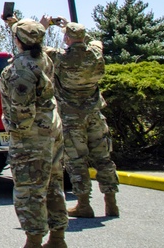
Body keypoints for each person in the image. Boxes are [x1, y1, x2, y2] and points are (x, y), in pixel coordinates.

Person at [0, 17, 68, 248]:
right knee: (53, 184)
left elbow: (21, 111)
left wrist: (14, 131)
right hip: (52, 129)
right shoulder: (44, 59)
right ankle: (57, 238)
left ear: (18, 41)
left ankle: (34, 241)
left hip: (30, 137)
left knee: (30, 190)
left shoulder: (19, 69)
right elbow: (31, 36)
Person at [45, 18, 120, 218]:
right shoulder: (95, 54)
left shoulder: (60, 57)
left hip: (71, 118)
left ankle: (84, 204)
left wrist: (44, 26)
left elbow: (33, 45)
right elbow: (96, 41)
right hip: (95, 115)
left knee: (76, 161)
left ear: (67, 38)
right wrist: (71, 25)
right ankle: (111, 202)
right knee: (103, 158)